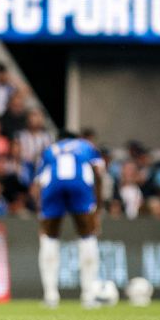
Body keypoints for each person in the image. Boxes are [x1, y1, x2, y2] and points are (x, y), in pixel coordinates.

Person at [34, 132, 105, 308]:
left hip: (53, 186)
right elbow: (98, 173)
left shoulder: (50, 150)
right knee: (87, 235)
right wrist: (98, 208)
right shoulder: (86, 146)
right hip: (79, 185)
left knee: (49, 237)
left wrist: (41, 213)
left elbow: (38, 182)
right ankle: (88, 296)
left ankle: (50, 295)